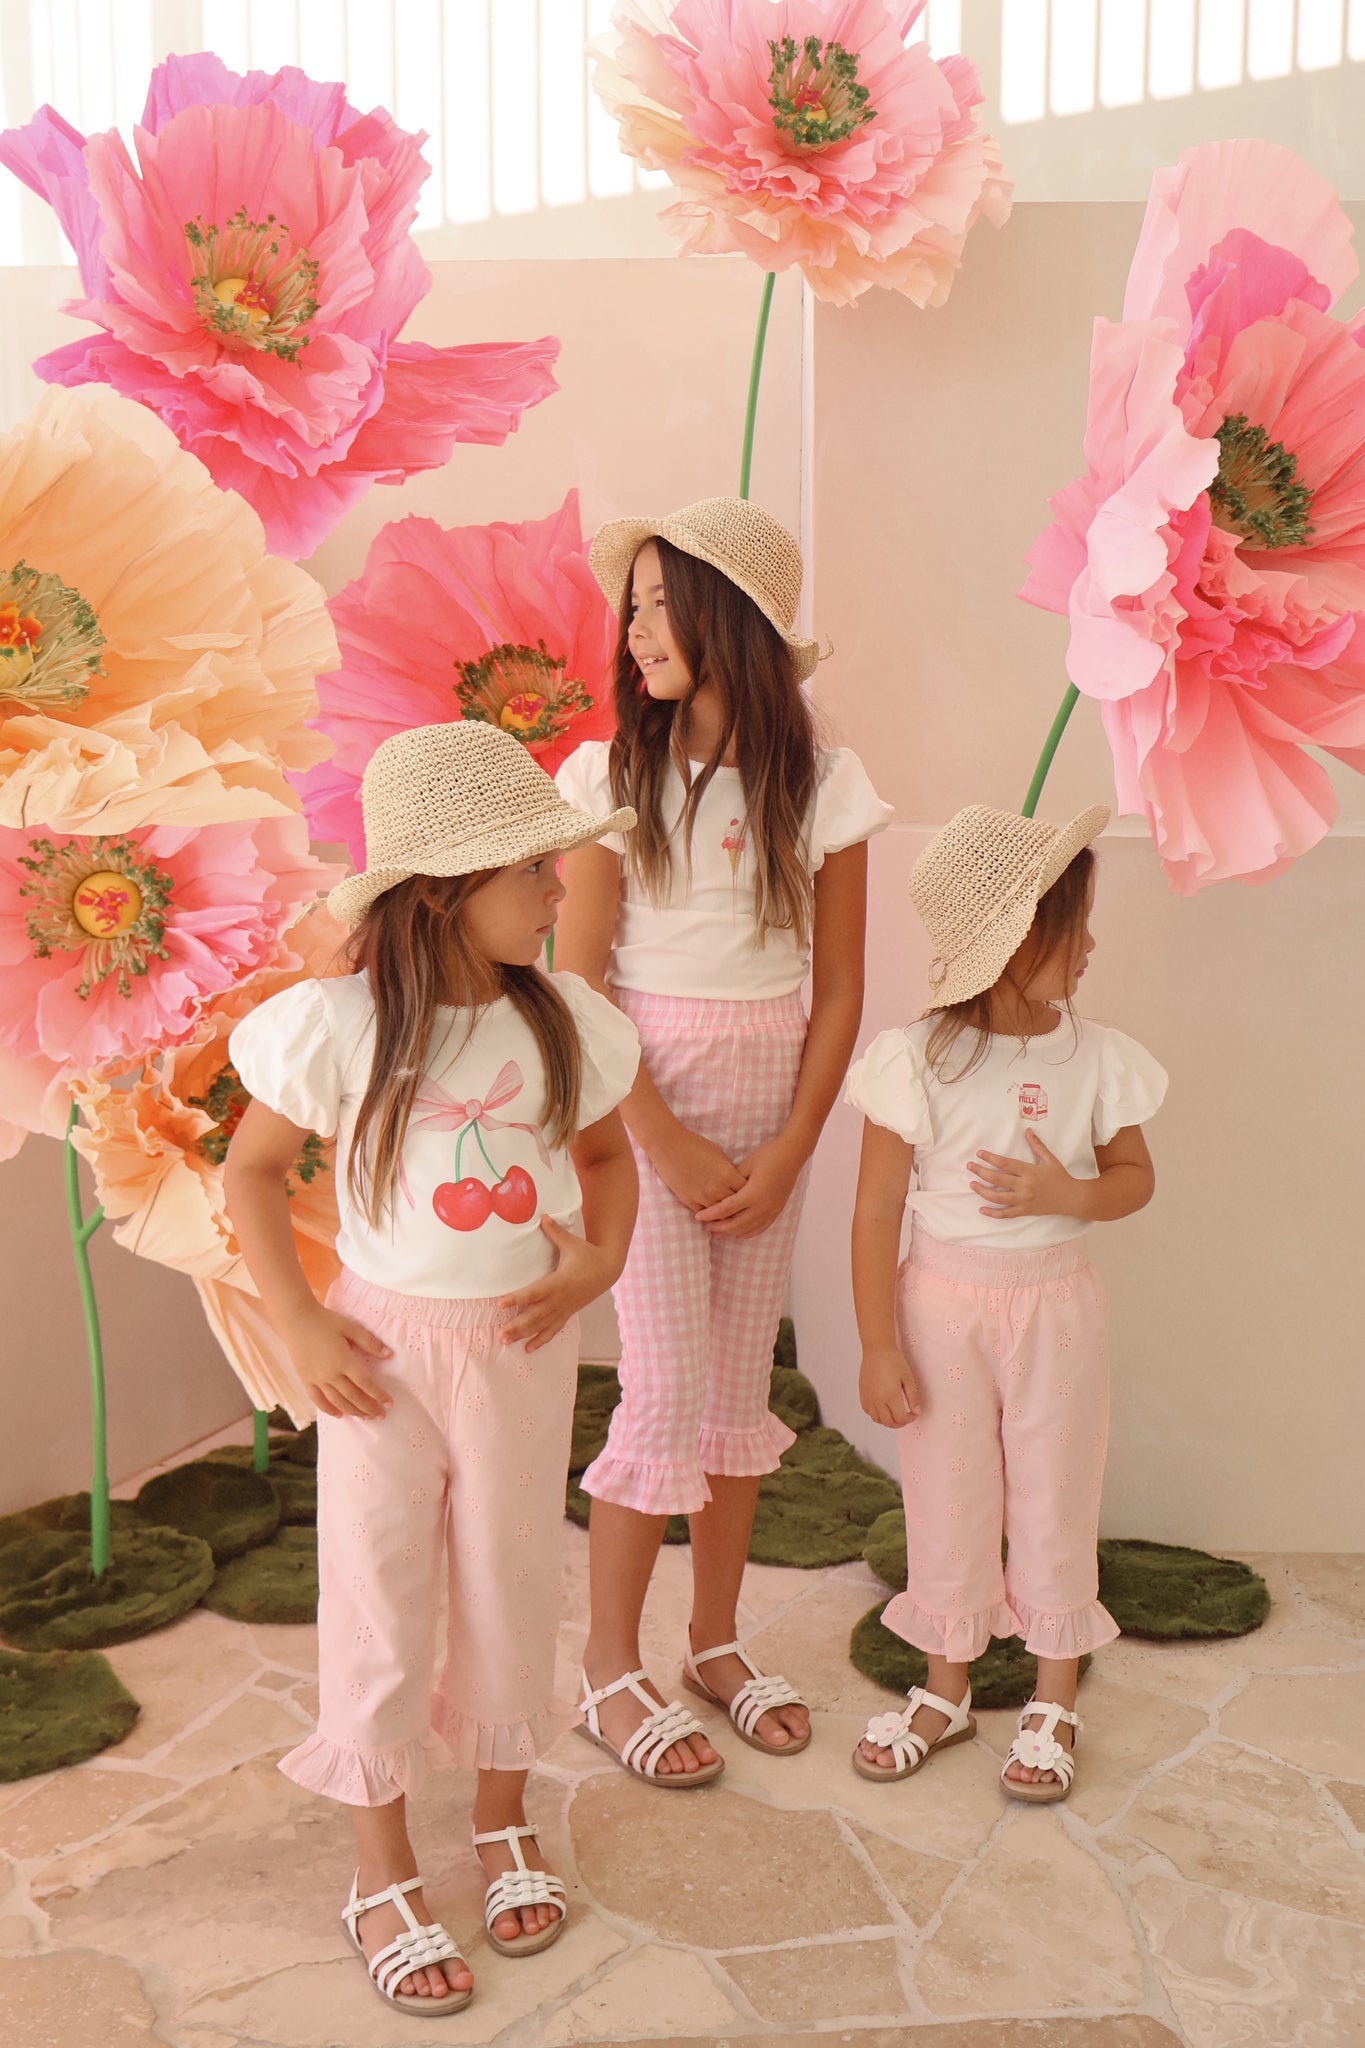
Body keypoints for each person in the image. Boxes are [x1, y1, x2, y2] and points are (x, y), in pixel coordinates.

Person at [224, 722, 640, 2016]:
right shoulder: (342, 1027)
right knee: (379, 1596)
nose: (561, 888)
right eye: (534, 870)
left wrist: (598, 1263)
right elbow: (250, 1172)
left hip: (520, 1351)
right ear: (448, 890)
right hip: (383, 1363)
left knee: (511, 1580)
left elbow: (609, 1161)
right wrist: (299, 1323)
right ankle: (382, 1867)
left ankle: (503, 1816)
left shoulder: (560, 1021)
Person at [553, 496, 890, 1783]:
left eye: (660, 605)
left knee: (739, 1393)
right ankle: (607, 1665)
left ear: (728, 620)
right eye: (631, 607)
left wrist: (794, 1145)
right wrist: (664, 1139)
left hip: (768, 1126)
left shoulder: (824, 783)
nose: (636, 630)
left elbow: (839, 986)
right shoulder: (609, 780)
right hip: (650, 1116)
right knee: (665, 1388)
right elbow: (581, 985)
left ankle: (713, 1639)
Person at [846, 804, 1166, 1803]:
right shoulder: (916, 1056)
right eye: (1076, 926)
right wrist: (877, 1344)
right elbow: (876, 1209)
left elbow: (1134, 1179)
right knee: (947, 1495)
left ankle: (1052, 1694)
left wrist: (1068, 1194)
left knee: (1055, 1490)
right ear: (1020, 937)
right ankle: (944, 1688)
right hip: (941, 1310)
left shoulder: (1096, 1055)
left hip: (1056, 1310)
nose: (1091, 946)